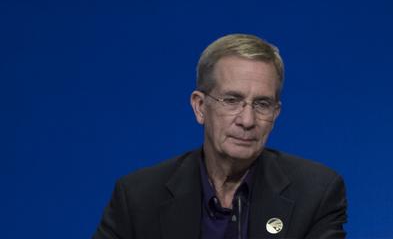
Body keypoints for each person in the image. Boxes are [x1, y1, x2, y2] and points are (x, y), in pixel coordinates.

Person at [93, 33, 347, 239]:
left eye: (262, 104)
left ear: (276, 113)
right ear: (200, 106)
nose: (247, 120)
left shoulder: (315, 194)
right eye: (232, 100)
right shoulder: (138, 197)